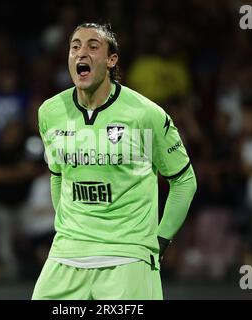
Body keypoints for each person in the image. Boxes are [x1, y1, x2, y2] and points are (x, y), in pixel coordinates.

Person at [32, 23, 197, 300]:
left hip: (127, 257)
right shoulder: (50, 112)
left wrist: (158, 241)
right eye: (75, 46)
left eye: (92, 47)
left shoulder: (146, 115)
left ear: (111, 60)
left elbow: (184, 180)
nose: (81, 52)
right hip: (66, 255)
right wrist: (70, 227)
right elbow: (58, 174)